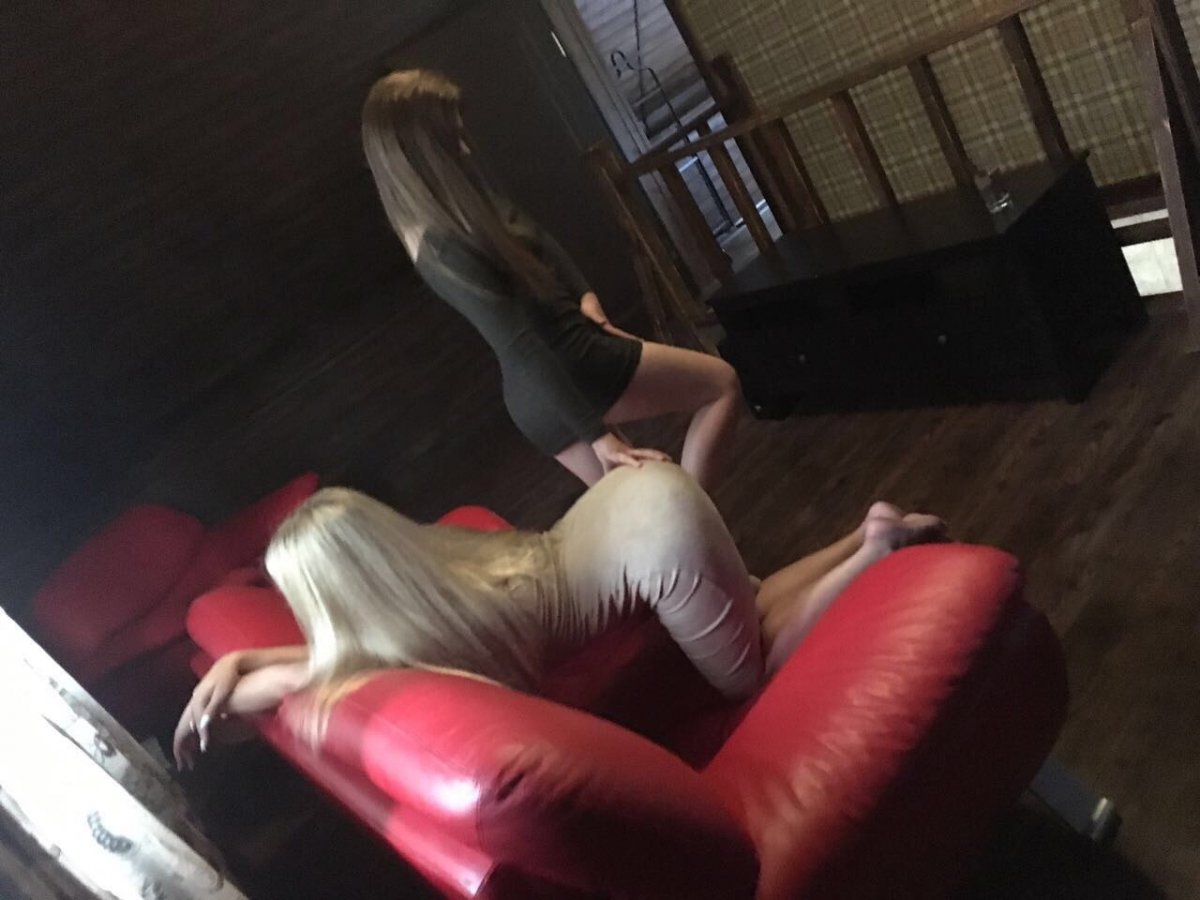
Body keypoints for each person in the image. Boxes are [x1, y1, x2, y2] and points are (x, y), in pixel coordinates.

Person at [174, 463, 945, 768]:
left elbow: (324, 674)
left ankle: (875, 554)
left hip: (657, 540)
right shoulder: (439, 571)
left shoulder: (420, 639)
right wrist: (239, 659)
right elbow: (335, 660)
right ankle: (865, 536)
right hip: (629, 500)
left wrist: (242, 670)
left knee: (750, 672)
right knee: (759, 599)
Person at [361, 69, 743, 491]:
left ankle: (688, 520)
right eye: (454, 140)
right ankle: (694, 514)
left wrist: (586, 295)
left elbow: (541, 240)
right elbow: (520, 344)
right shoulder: (440, 245)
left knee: (640, 497)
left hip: (545, 390)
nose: (467, 148)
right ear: (423, 151)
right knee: (721, 384)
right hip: (571, 365)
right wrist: (597, 435)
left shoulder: (459, 205)